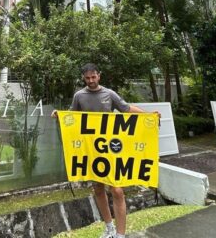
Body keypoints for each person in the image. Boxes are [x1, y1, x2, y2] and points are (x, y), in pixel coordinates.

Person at [52, 63, 158, 238]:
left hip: (111, 150)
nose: (91, 81)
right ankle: (109, 227)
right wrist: (59, 115)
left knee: (117, 189)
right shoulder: (79, 96)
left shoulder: (109, 94)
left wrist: (149, 116)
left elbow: (126, 109)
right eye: (87, 78)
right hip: (92, 151)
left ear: (99, 76)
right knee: (98, 188)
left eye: (94, 77)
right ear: (83, 78)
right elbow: (72, 117)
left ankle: (120, 234)